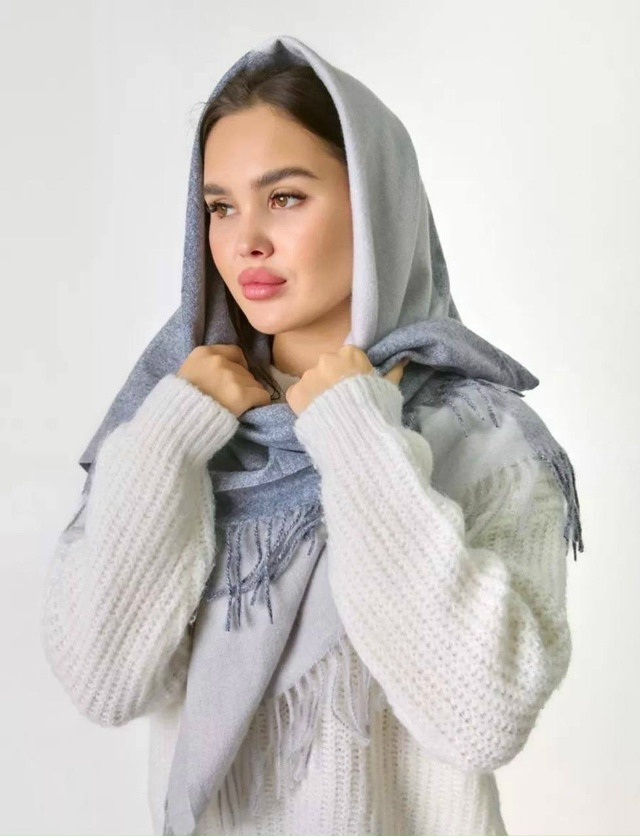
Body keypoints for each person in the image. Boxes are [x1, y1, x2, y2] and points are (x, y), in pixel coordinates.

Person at [40, 34, 584, 836]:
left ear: (377, 207)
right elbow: (103, 682)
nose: (246, 241)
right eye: (221, 207)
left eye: (286, 198)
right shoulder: (181, 427)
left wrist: (358, 439)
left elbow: (483, 716)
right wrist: (170, 442)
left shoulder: (486, 438)